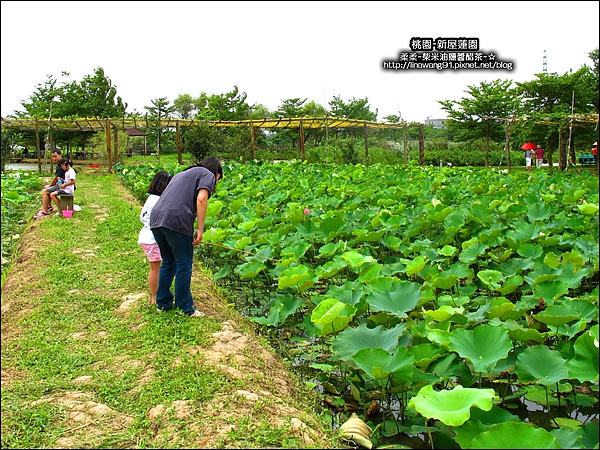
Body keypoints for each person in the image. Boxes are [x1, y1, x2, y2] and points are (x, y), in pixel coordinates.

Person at [150, 156, 223, 317]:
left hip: (156, 218)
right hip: (176, 219)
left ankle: (163, 304)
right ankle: (185, 308)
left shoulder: (183, 173)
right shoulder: (208, 174)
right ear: (216, 172)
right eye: (219, 178)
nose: (216, 181)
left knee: (169, 262)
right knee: (184, 264)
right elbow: (201, 199)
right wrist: (200, 229)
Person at [137, 170, 172, 305]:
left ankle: (154, 295)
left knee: (155, 267)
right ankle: (155, 296)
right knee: (155, 268)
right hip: (153, 239)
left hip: (146, 236)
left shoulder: (151, 198)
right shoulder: (159, 201)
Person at [35, 149, 65, 218]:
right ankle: (49, 206)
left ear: (60, 155)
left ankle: (44, 211)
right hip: (62, 183)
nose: (54, 158)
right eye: (52, 157)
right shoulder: (62, 163)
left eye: (55, 156)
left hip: (63, 185)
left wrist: (51, 185)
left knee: (45, 191)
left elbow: (56, 178)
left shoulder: (61, 165)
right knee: (46, 187)